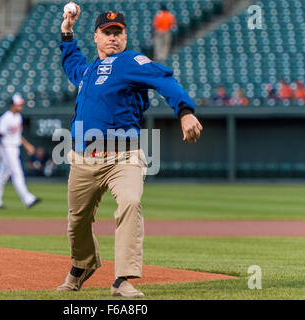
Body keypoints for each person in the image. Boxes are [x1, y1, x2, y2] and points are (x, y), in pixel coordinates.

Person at [57, 5, 202, 298]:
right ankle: (83, 266)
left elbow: (164, 80)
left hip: (123, 155)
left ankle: (122, 279)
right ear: (96, 36)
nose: (113, 37)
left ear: (125, 36)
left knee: (130, 202)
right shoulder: (87, 72)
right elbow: (72, 61)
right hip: (84, 157)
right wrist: (67, 30)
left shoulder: (131, 61)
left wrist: (185, 111)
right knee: (77, 220)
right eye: (107, 33)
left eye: (118, 32)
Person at [0, 93, 42, 209]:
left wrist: (27, 145)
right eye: (19, 104)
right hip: (7, 148)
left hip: (15, 147)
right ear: (12, 105)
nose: (21, 106)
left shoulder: (18, 117)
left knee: (2, 175)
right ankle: (28, 199)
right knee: (17, 173)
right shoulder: (5, 118)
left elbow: (18, 135)